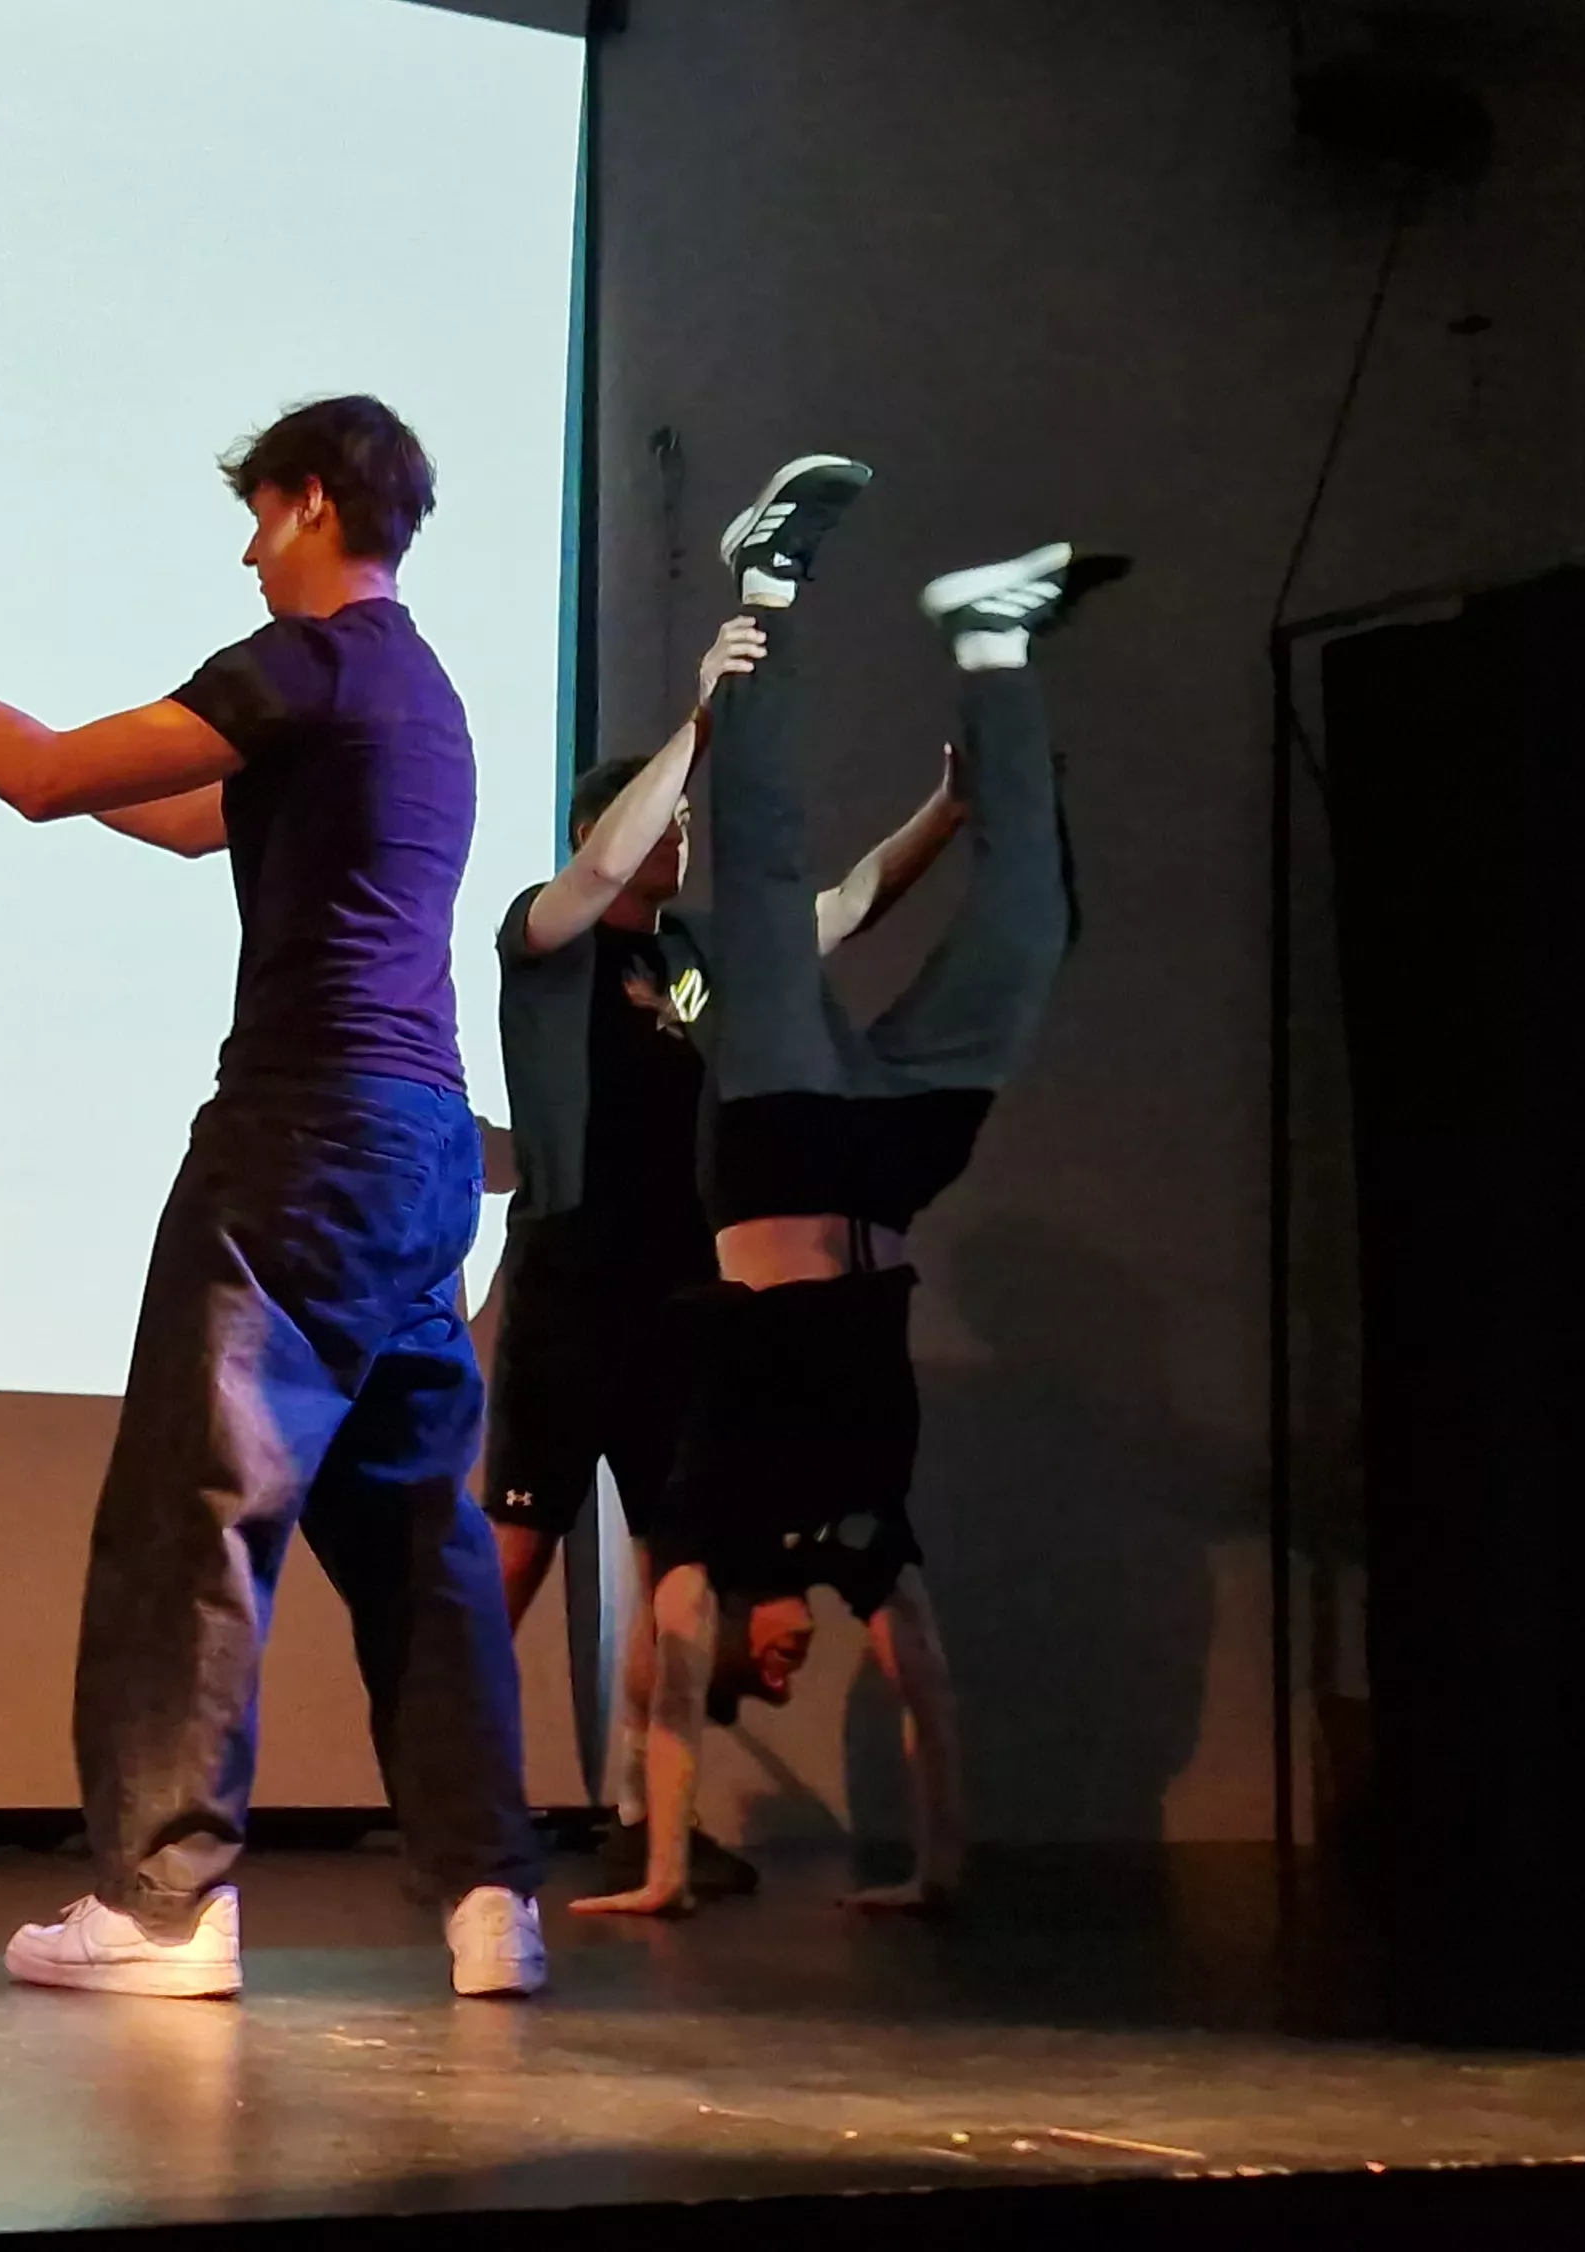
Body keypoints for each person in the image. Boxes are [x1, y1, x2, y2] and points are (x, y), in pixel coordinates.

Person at [0, 395, 551, 2001]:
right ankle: (491, 1903)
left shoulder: (305, 663)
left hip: (298, 1138)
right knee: (417, 1539)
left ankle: (163, 1904)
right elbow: (188, 819)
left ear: (316, 504)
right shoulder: (420, 695)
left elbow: (42, 783)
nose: (250, 550)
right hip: (420, 1151)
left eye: (262, 515)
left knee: (188, 1514)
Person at [567, 454, 1120, 1921]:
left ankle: (768, 578)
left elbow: (672, 1693)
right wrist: (939, 1870)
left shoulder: (704, 1516)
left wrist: (664, 1872)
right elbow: (926, 1677)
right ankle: (996, 641)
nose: (795, 1664)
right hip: (894, 1171)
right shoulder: (863, 1534)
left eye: (781, 1665)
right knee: (1033, 939)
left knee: (756, 888)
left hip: (780, 1142)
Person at [484, 613, 965, 1898]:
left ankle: (652, 1821)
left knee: (671, 1565)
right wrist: (695, 729)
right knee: (517, 1551)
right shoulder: (545, 937)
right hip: (566, 1286)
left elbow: (845, 910)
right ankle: (456, 1803)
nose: (679, 840)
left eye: (684, 826)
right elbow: (593, 874)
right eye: (663, 823)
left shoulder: (690, 963)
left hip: (679, 1298)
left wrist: (947, 810)